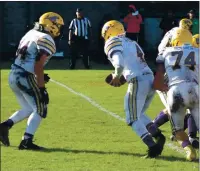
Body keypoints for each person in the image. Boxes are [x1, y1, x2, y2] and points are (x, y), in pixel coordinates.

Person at [101, 20, 166, 158]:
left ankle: (152, 147)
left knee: (131, 117)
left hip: (137, 80)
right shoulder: (132, 42)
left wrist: (116, 76)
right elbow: (135, 63)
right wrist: (124, 77)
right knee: (140, 113)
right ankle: (159, 136)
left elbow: (119, 65)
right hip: (149, 78)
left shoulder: (112, 41)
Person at [0, 12, 64, 150]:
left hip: (14, 73)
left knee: (29, 108)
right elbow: (37, 65)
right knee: (41, 108)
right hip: (25, 76)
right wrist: (41, 88)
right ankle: (26, 142)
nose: (59, 29)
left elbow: (30, 60)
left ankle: (5, 126)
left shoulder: (30, 33)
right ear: (51, 25)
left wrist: (39, 76)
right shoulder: (46, 38)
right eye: (57, 25)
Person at [153, 26, 199, 161]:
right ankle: (193, 137)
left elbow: (159, 77)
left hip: (175, 90)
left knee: (177, 130)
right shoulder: (197, 51)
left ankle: (190, 151)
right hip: (195, 90)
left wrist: (158, 86)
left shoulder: (165, 52)